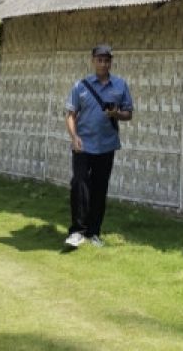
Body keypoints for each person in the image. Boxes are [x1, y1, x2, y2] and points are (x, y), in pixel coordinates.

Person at [64, 44, 133, 248]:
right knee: (79, 184)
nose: (103, 63)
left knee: (100, 189)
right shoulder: (80, 86)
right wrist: (73, 136)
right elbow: (70, 115)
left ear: (111, 62)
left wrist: (117, 114)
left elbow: (129, 113)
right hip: (83, 144)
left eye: (107, 60)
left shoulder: (120, 85)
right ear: (93, 60)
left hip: (107, 145)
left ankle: (94, 232)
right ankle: (77, 231)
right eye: (99, 60)